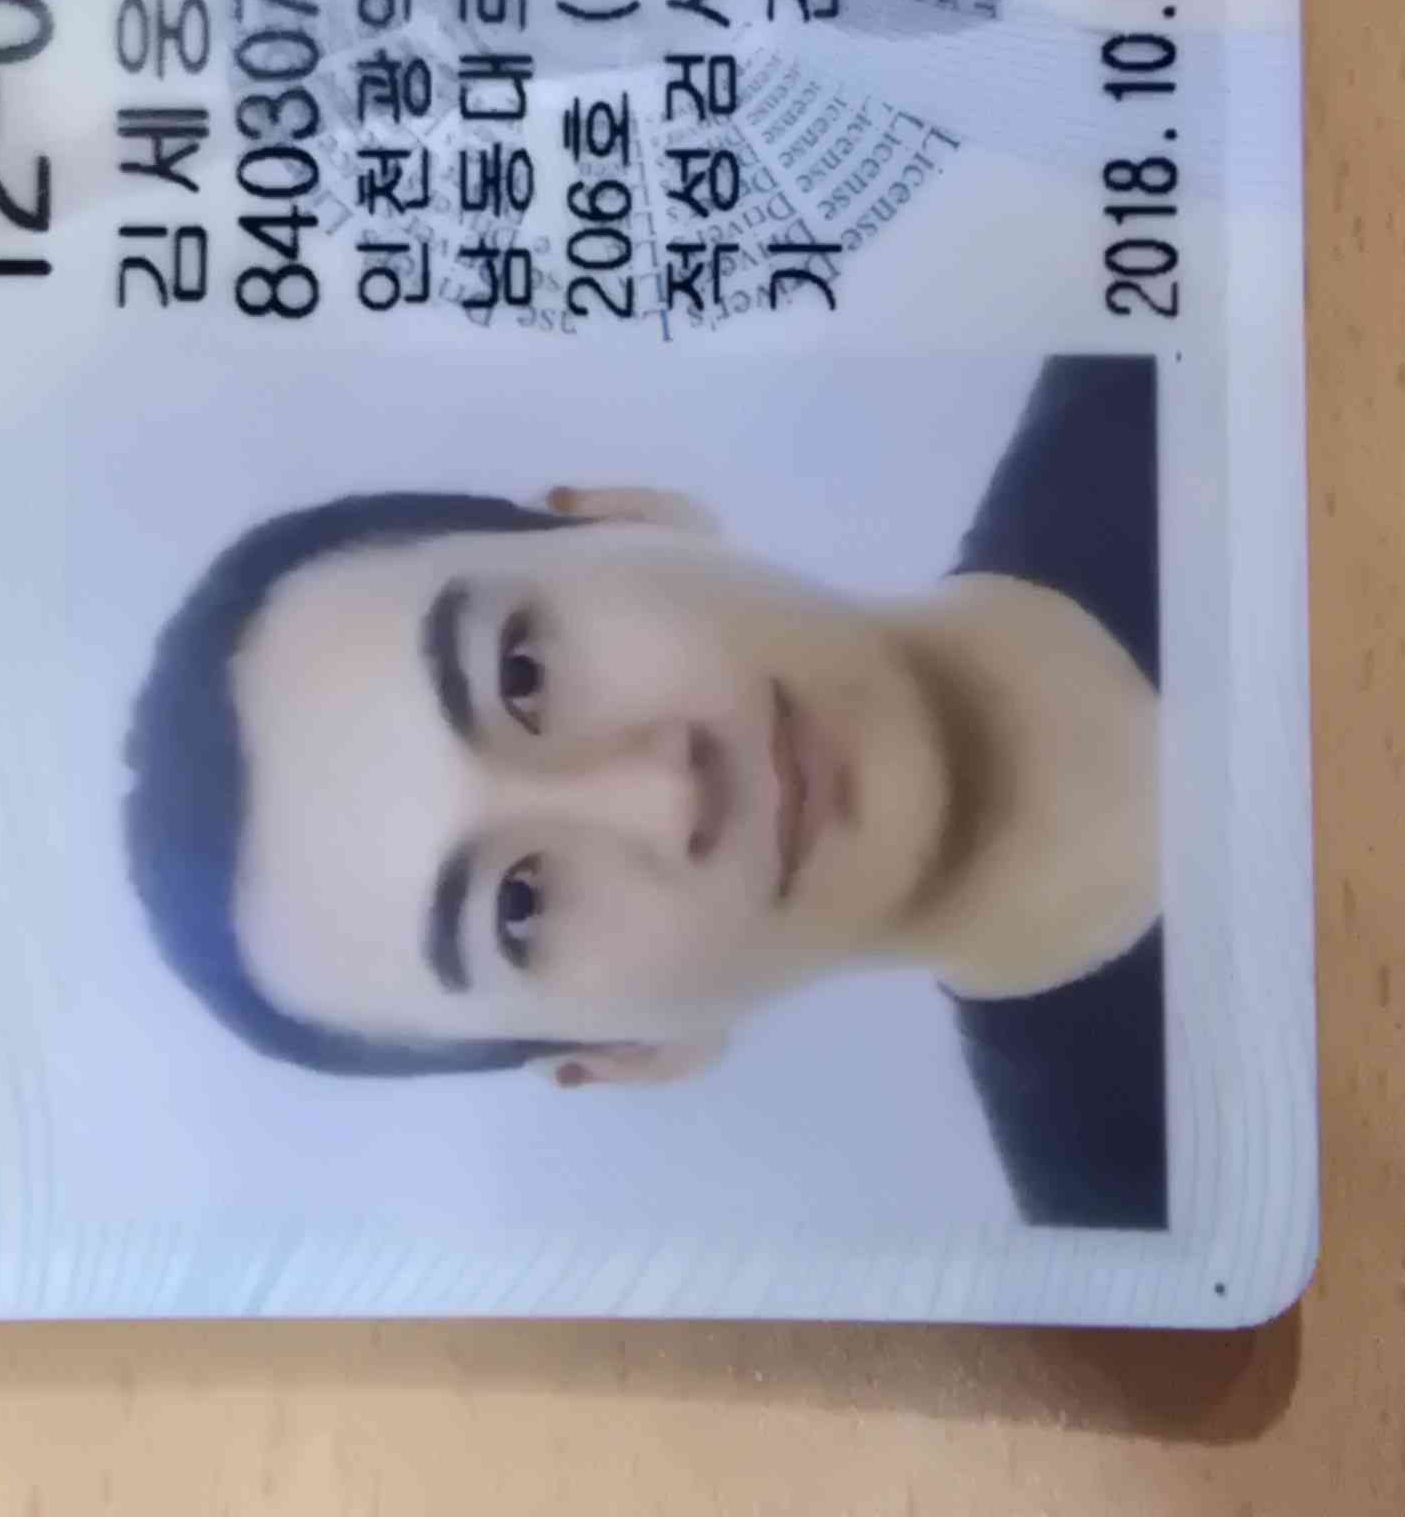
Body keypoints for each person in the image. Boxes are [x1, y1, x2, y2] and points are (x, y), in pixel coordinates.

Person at [121, 355, 1165, 1226]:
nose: (664, 798)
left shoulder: (1172, 309)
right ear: (629, 1056)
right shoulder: (1140, 1228)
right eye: (520, 906)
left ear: (628, 514)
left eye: (520, 672)